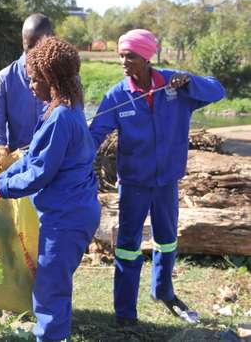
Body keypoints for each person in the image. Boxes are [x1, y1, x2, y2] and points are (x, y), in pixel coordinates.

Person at [89, 28, 226, 327]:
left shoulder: (175, 86)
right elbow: (95, 134)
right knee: (127, 245)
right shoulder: (117, 95)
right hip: (134, 185)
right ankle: (125, 313)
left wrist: (191, 81)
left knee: (166, 240)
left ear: (147, 57)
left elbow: (218, 90)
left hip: (166, 182)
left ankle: (163, 291)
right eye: (121, 56)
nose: (125, 62)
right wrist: (69, 149)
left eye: (131, 56)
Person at [0, 37, 101, 342]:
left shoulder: (61, 117)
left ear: (51, 79)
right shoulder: (58, 109)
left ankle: (50, 337)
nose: (30, 85)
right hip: (70, 212)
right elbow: (31, 158)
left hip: (68, 217)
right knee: (53, 284)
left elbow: (38, 175)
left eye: (34, 79)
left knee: (49, 291)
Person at [0, 13, 53, 151]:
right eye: (29, 47)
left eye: (39, 48)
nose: (33, 55)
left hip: (55, 161)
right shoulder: (4, 80)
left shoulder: (65, 78)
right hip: (17, 163)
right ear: (23, 41)